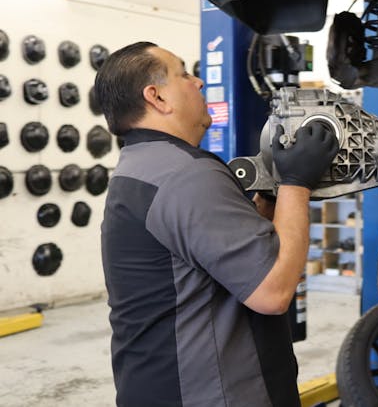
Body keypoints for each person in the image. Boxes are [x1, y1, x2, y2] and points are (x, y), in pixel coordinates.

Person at [96, 41, 338, 407]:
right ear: (157, 97)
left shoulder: (141, 167)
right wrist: (297, 182)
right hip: (211, 394)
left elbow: (224, 255)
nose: (198, 82)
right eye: (183, 74)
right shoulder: (186, 174)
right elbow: (273, 290)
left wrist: (272, 197)